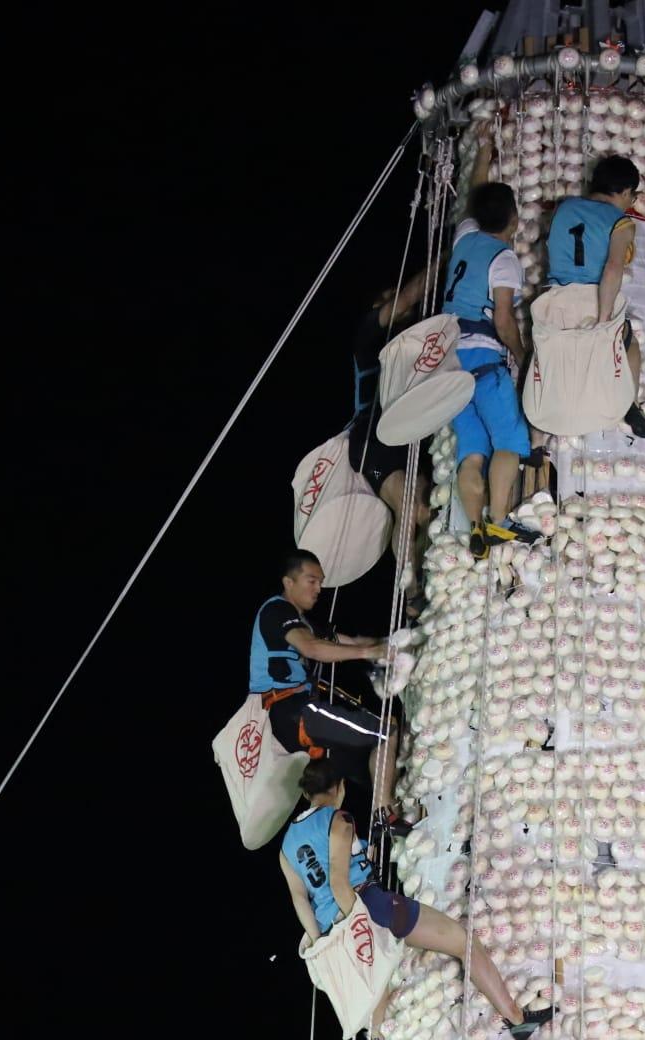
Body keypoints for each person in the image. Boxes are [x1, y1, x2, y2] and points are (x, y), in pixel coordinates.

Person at [280, 759, 555, 1040]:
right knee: (463, 942)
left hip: (333, 932)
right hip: (368, 908)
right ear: (340, 786)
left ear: (306, 794)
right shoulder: (338, 820)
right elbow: (340, 884)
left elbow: (300, 899)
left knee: (378, 1013)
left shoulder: (287, 844)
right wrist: (365, 929)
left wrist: (322, 944)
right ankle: (516, 1018)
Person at [252, 549, 411, 834]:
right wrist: (369, 651)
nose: (318, 589)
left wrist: (389, 646)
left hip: (298, 719)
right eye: (311, 580)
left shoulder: (306, 623)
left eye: (320, 582)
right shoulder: (277, 611)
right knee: (386, 732)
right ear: (289, 582)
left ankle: (390, 815)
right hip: (294, 712)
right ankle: (382, 816)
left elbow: (344, 640)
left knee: (376, 769)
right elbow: (311, 648)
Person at [445, 129, 543, 559]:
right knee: (510, 443)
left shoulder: (465, 236)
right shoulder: (504, 260)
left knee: (471, 452)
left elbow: (472, 196)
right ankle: (500, 521)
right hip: (483, 360)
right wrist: (522, 356)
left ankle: (475, 529)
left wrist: (484, 152)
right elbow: (503, 319)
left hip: (447, 365)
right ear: (514, 220)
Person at [345, 268, 437, 611]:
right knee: (411, 507)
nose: (401, 304)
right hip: (372, 437)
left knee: (428, 511)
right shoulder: (369, 333)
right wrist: (444, 258)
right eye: (390, 297)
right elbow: (410, 294)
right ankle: (411, 592)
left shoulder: (417, 341)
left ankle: (429, 579)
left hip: (408, 437)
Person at [545, 155, 645, 438]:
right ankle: (629, 403)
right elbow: (613, 268)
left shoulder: (563, 209)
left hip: (555, 302)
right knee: (630, 347)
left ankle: (546, 423)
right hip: (590, 299)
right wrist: (604, 320)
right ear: (626, 192)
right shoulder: (621, 222)